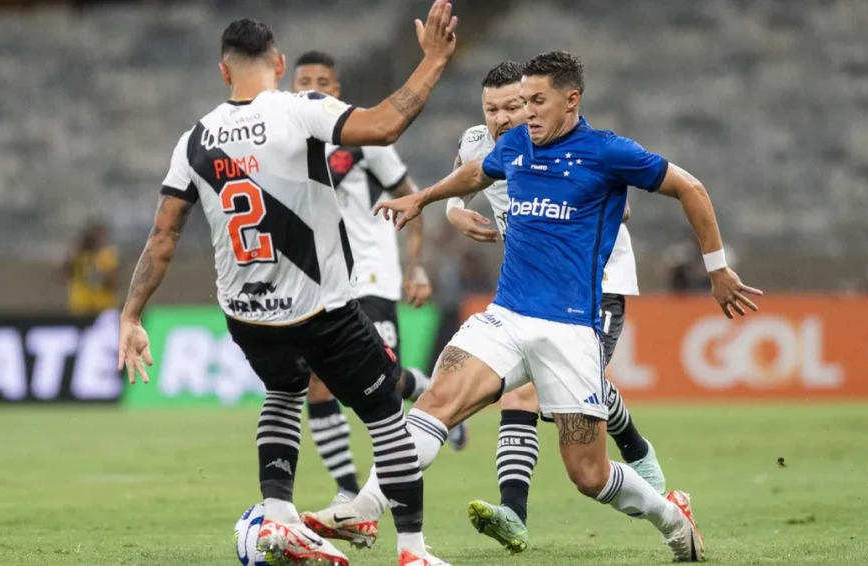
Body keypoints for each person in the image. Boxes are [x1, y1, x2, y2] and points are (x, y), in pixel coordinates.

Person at [306, 51, 763, 563]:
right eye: (522, 102)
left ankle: (672, 518)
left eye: (536, 102)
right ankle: (366, 506)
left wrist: (717, 268)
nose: (526, 114)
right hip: (506, 316)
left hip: (570, 330)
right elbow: (476, 173)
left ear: (571, 100)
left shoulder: (608, 152)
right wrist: (428, 201)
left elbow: (689, 187)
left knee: (588, 475)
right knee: (436, 403)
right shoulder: (518, 144)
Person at [115, 6, 459, 566]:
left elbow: (161, 239)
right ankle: (413, 551)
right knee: (386, 419)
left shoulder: (194, 140)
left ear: (224, 73)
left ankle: (278, 521)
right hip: (321, 306)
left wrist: (130, 317)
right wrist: (435, 61)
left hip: (247, 314)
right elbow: (384, 125)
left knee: (283, 391)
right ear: (278, 64)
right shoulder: (302, 110)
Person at [441, 60, 664, 554]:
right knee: (521, 395)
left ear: (533, 102)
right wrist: (459, 216)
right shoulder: (479, 143)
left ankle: (635, 450)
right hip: (532, 290)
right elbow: (456, 193)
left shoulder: (574, 148)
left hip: (594, 281)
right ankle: (514, 515)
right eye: (491, 109)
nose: (501, 118)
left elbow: (619, 203)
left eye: (512, 107)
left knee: (558, 398)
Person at [289, 50, 467, 506]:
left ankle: (429, 391)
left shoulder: (364, 137)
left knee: (382, 384)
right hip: (322, 281)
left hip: (370, 274)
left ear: (336, 90)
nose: (311, 87)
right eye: (303, 80)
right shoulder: (285, 143)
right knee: (318, 383)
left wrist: (417, 265)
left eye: (322, 82)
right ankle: (347, 490)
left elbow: (411, 198)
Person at [63, 221, 119, 315]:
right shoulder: (79, 255)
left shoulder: (107, 255)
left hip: (103, 306)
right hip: (80, 306)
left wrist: (100, 274)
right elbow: (65, 272)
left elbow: (114, 282)